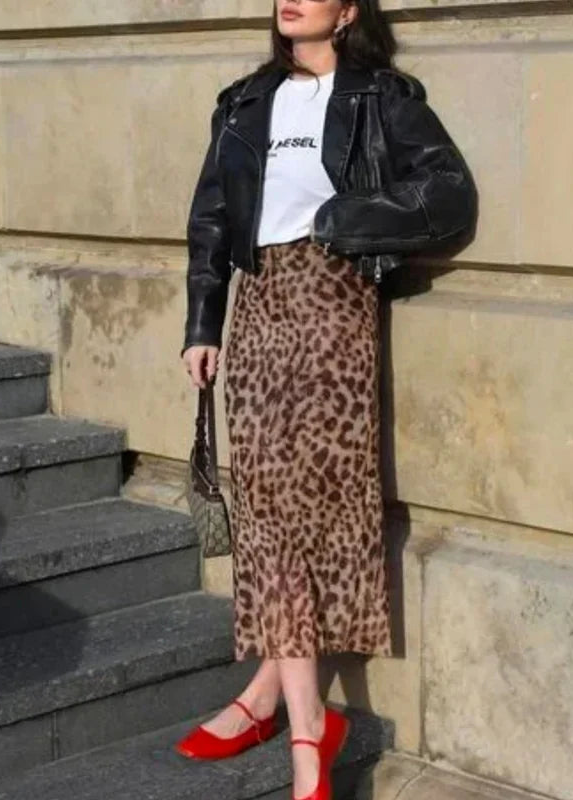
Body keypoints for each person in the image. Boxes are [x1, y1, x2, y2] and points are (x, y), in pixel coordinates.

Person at [176, 1, 477, 798]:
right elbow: (210, 221)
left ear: (346, 12)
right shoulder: (245, 102)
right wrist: (202, 324)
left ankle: (284, 716)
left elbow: (449, 192)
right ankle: (299, 719)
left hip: (335, 301)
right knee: (267, 504)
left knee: (309, 507)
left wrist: (347, 217)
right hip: (259, 304)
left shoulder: (381, 97)